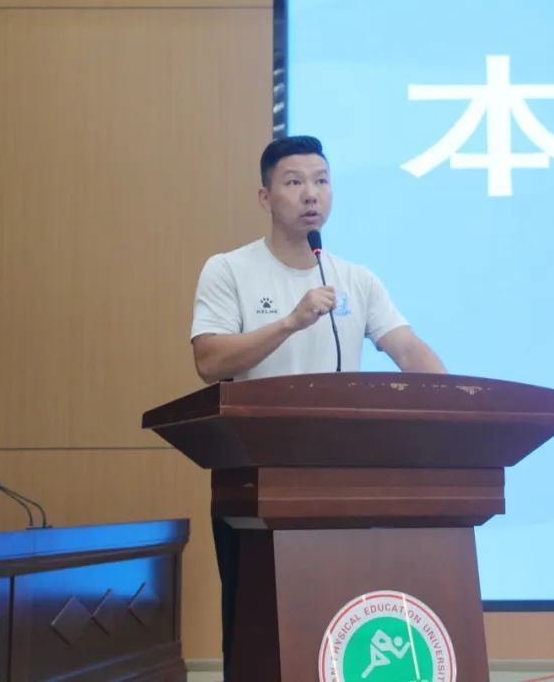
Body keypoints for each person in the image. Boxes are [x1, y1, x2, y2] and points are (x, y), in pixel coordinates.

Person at [189, 135, 445, 677]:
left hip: (340, 476)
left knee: (339, 612)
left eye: (322, 181)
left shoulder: (355, 279)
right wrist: (290, 322)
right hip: (255, 475)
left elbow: (406, 347)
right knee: (256, 624)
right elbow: (209, 361)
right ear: (265, 196)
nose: (311, 193)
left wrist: (455, 402)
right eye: (295, 182)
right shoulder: (229, 269)